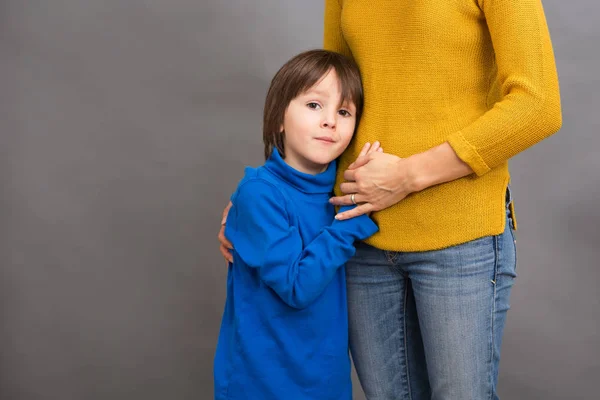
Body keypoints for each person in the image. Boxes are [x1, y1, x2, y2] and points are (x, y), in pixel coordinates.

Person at [219, 1, 563, 399]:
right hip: (361, 239)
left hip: (456, 234)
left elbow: (538, 106)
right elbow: (332, 96)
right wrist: (260, 199)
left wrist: (408, 176)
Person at [213, 49, 382, 400]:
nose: (330, 121)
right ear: (279, 118)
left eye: (344, 111)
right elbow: (296, 287)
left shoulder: (341, 189)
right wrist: (352, 220)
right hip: (262, 383)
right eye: (314, 105)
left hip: (324, 380)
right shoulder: (261, 193)